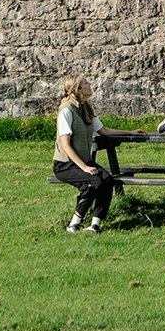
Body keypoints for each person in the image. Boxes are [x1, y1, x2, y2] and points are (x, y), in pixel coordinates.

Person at [50, 77, 114, 233]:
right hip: (65, 165)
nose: (89, 84)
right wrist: (84, 167)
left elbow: (103, 131)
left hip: (83, 162)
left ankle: (95, 224)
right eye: (85, 83)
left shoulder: (87, 108)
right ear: (77, 90)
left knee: (107, 180)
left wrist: (131, 132)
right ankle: (74, 224)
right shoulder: (66, 110)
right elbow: (65, 144)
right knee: (92, 183)